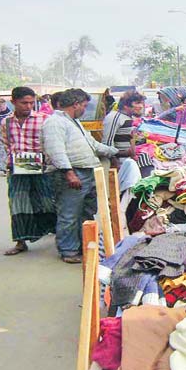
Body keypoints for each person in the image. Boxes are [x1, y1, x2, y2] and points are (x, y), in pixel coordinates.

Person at [43, 89, 119, 263]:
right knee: (69, 214)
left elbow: (93, 145)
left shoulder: (74, 122)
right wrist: (69, 173)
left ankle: (83, 245)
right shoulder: (55, 122)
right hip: (72, 173)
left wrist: (115, 152)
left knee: (85, 212)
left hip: (86, 172)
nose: (85, 109)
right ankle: (68, 251)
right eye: (84, 106)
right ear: (75, 104)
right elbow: (56, 150)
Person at [1, 87, 57, 256]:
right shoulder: (6, 122)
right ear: (13, 102)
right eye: (24, 103)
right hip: (17, 168)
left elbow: (51, 144)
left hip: (41, 167)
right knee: (18, 204)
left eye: (31, 103)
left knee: (48, 202)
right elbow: (7, 145)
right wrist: (10, 163)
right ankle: (20, 241)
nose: (28, 106)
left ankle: (58, 236)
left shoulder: (44, 119)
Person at [102, 91, 145, 161]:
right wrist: (115, 161)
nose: (141, 106)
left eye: (141, 103)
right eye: (137, 103)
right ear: (126, 106)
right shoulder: (114, 117)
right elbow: (107, 144)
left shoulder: (130, 118)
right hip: (122, 161)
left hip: (131, 159)